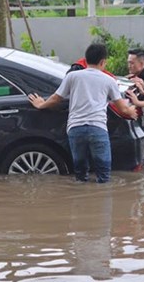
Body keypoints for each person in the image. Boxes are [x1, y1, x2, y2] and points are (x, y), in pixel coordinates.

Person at [28, 43, 137, 183]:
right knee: (104, 174)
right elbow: (122, 108)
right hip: (97, 128)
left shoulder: (72, 76)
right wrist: (131, 110)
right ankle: (102, 201)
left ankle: (80, 200)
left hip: (75, 128)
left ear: (85, 60)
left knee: (80, 173)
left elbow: (56, 98)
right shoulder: (109, 80)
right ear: (103, 62)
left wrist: (41, 104)